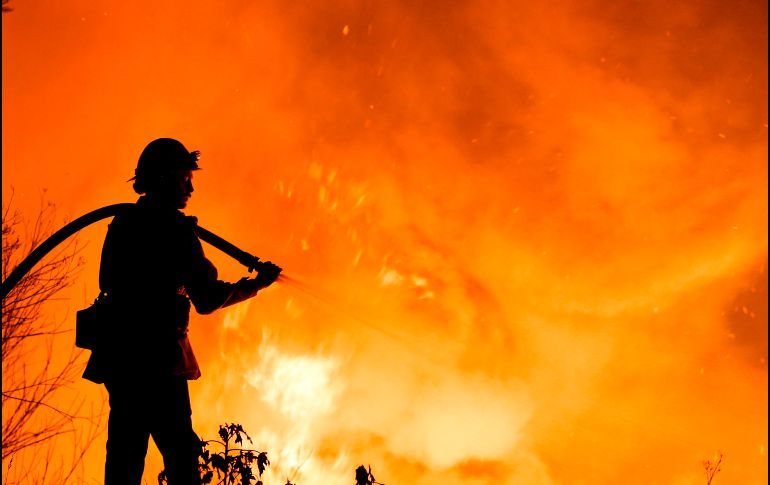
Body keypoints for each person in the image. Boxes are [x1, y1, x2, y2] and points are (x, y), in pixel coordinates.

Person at [82, 138, 281, 485]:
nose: (191, 186)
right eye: (184, 177)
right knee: (182, 457)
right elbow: (206, 298)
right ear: (163, 179)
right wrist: (254, 285)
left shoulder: (124, 224)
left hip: (121, 361)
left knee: (124, 460)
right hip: (157, 361)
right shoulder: (175, 232)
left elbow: (107, 280)